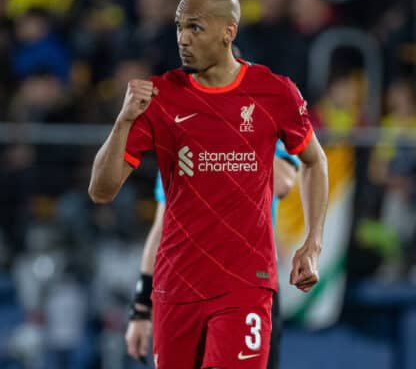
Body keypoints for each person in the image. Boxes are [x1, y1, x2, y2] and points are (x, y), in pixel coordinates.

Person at [89, 0, 328, 369]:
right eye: (179, 27)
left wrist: (312, 242)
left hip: (245, 284)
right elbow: (101, 191)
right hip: (176, 287)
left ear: (228, 31)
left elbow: (314, 163)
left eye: (195, 27)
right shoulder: (161, 99)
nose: (183, 38)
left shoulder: (274, 93)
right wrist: (122, 122)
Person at [126, 141, 300, 369]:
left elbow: (282, 182)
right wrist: (140, 308)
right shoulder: (181, 138)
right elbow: (162, 227)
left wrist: (220, 140)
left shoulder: (267, 117)